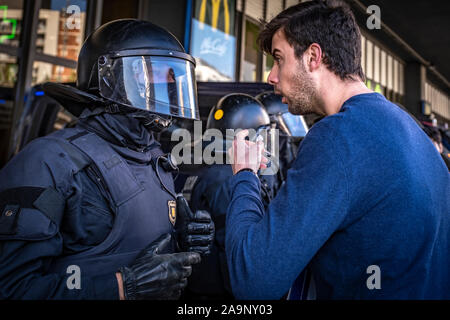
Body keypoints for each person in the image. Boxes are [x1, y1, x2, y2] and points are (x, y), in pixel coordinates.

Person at [226, 0, 450, 299]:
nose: (271, 77)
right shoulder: (411, 130)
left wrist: (245, 175)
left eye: (278, 59)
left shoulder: (338, 137)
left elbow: (253, 280)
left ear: (313, 57)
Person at [0, 19, 214, 300]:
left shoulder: (152, 157)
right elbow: (12, 289)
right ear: (113, 78)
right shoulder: (48, 161)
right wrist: (121, 288)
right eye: (159, 75)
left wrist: (180, 239)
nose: (170, 87)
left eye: (175, 77)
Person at [183, 93, 275, 299]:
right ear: (246, 137)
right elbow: (235, 251)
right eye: (262, 135)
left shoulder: (207, 168)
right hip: (219, 292)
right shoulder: (228, 180)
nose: (266, 142)